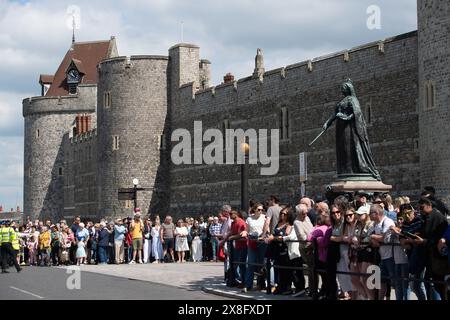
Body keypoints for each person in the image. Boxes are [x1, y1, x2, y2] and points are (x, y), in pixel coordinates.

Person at [368, 204, 396, 300]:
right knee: (381, 281)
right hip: (382, 256)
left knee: (395, 282)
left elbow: (384, 238)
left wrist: (373, 237)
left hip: (391, 256)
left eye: (370, 213)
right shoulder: (374, 224)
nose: (369, 215)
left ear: (376, 213)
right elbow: (369, 235)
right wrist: (373, 238)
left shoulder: (388, 222)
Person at [241, 203, 267, 293]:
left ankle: (261, 284)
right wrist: (244, 232)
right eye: (259, 209)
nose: (260, 211)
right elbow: (247, 230)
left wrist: (263, 236)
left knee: (261, 263)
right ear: (254, 210)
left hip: (261, 242)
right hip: (252, 241)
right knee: (251, 263)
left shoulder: (264, 217)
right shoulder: (249, 219)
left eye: (262, 210)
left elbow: (266, 230)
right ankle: (248, 285)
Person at [307, 214, 332, 300]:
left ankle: (323, 292)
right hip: (327, 254)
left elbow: (309, 237)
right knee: (326, 276)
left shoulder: (318, 229)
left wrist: (314, 231)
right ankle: (325, 292)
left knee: (323, 275)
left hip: (321, 255)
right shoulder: (328, 228)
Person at [293, 203, 314, 295]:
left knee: (314, 269)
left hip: (313, 245)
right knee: (311, 268)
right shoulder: (297, 222)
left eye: (306, 212)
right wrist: (314, 236)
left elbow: (312, 230)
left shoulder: (307, 218)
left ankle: (313, 288)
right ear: (298, 213)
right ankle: (312, 290)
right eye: (303, 213)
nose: (305, 214)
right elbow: (302, 237)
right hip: (306, 248)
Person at [227, 210, 248, 287]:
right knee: (235, 264)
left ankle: (244, 282)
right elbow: (231, 232)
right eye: (229, 214)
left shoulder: (241, 222)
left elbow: (242, 234)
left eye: (231, 214)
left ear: (236, 214)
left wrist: (232, 237)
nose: (230, 215)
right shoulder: (233, 223)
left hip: (243, 246)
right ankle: (236, 280)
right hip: (237, 246)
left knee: (242, 264)